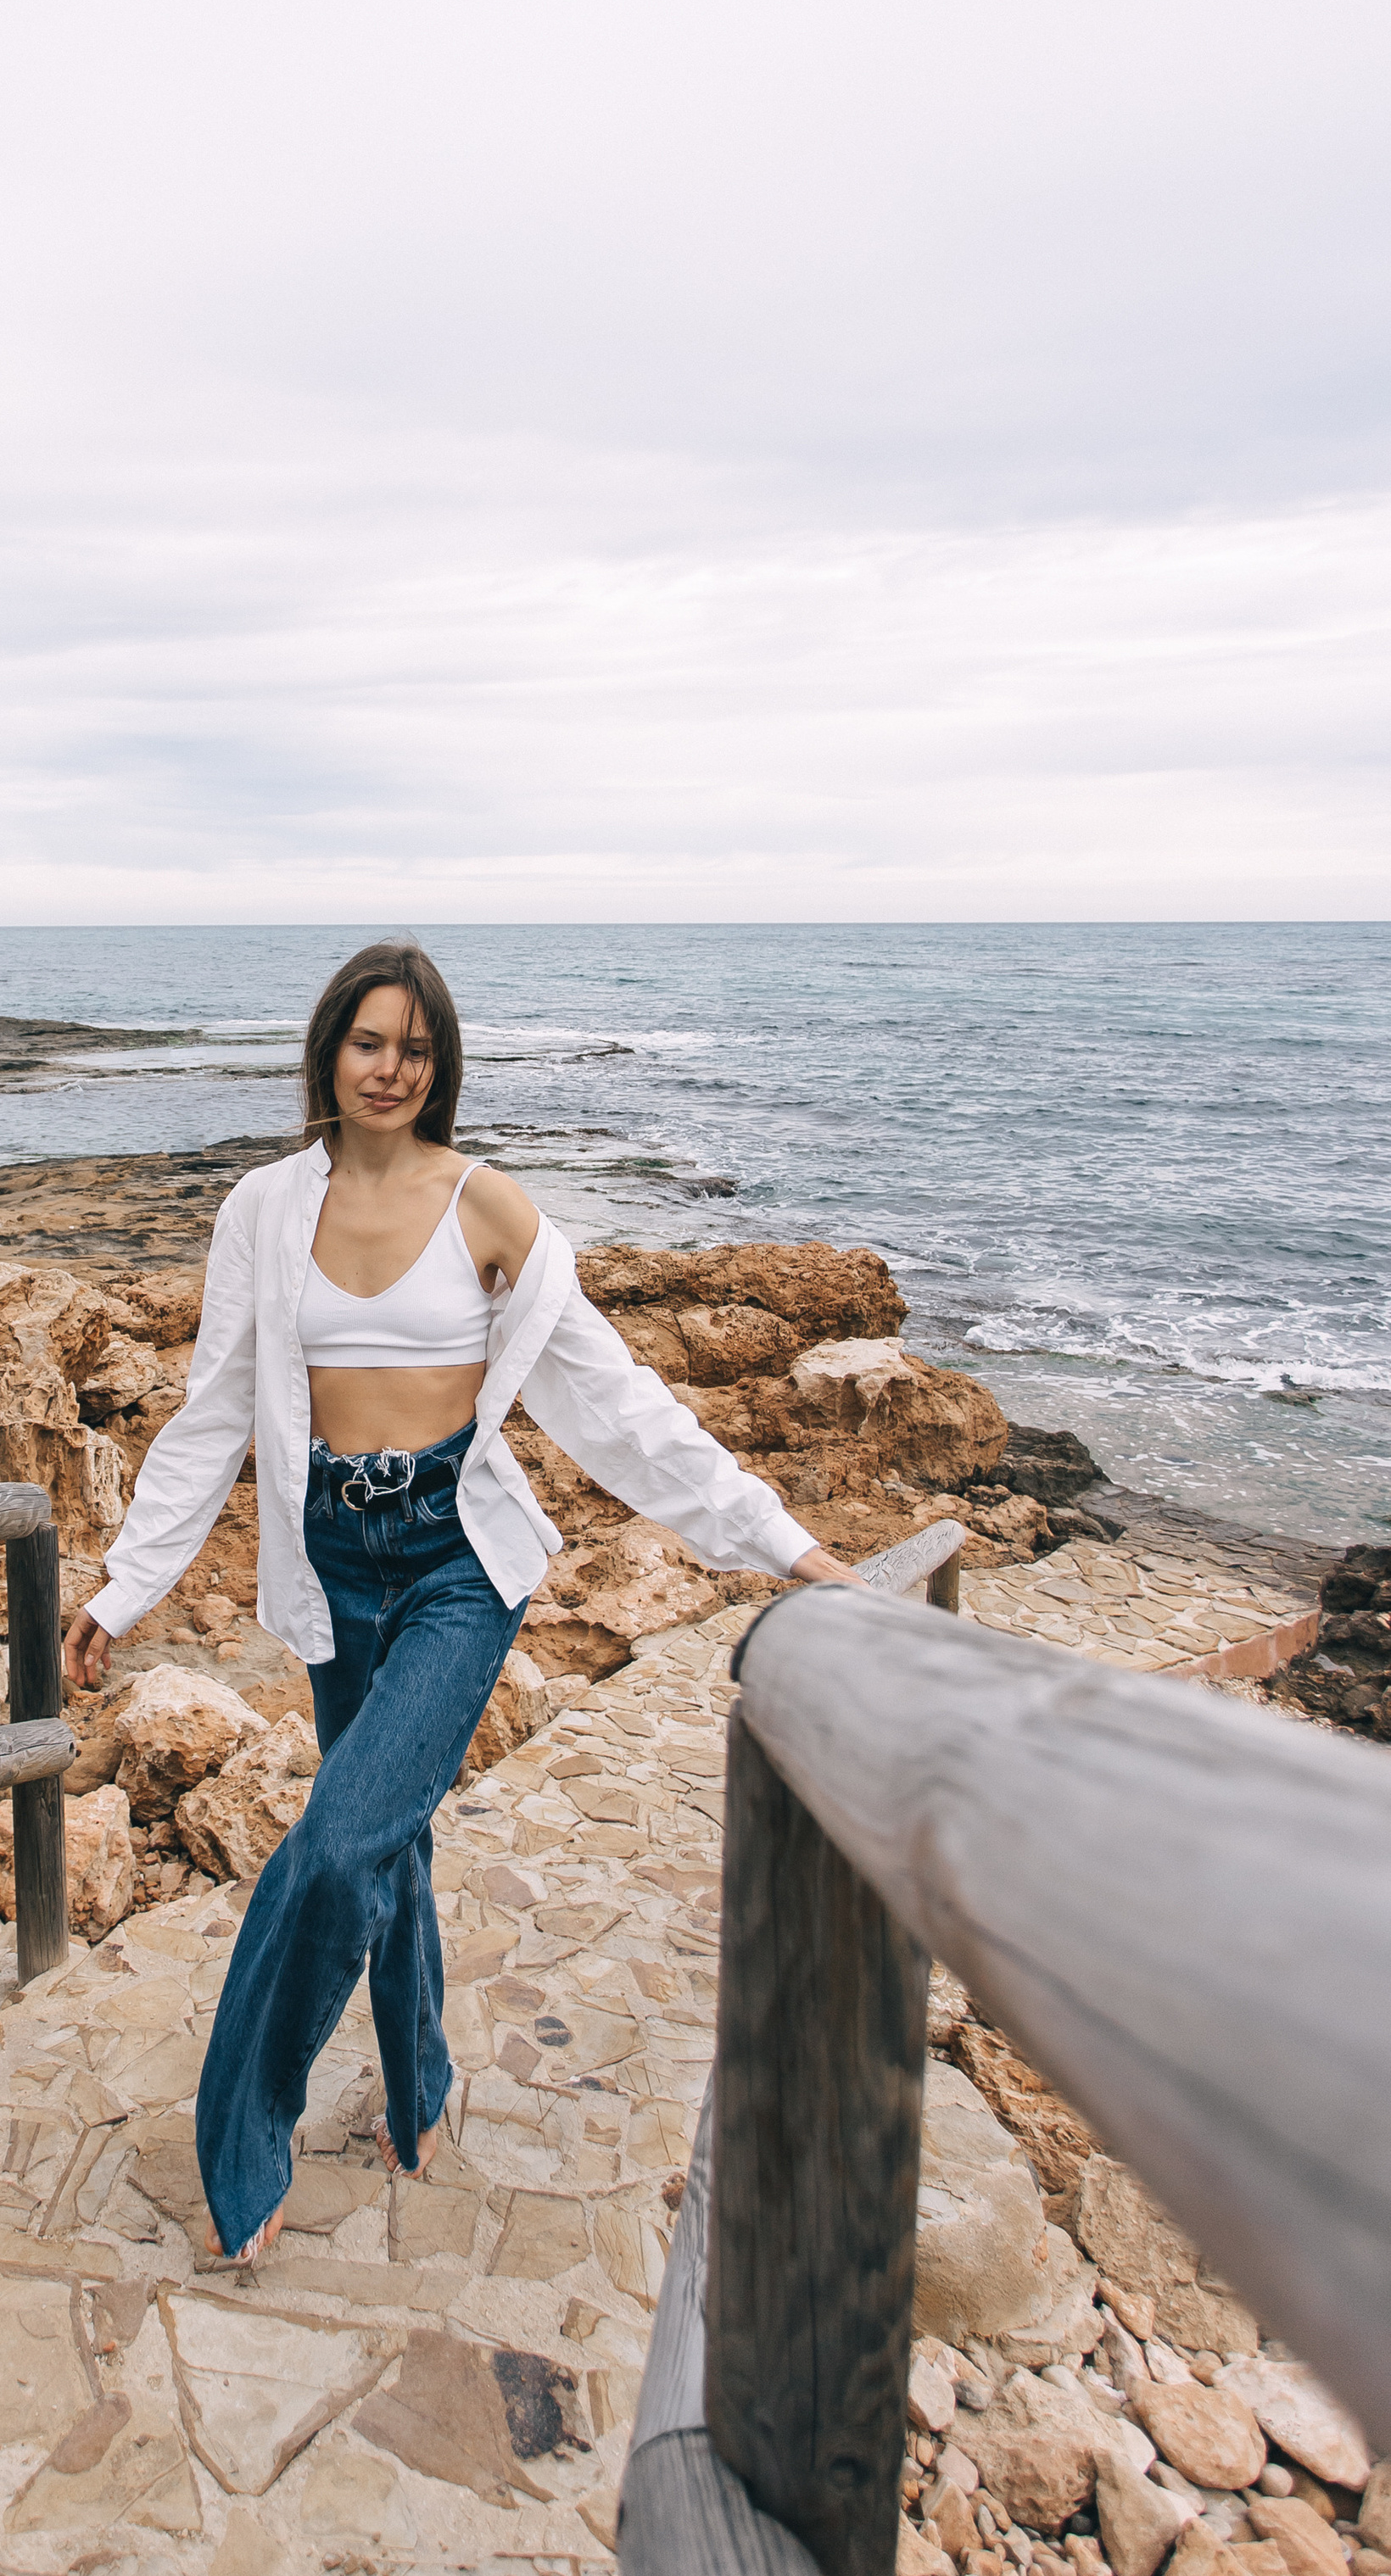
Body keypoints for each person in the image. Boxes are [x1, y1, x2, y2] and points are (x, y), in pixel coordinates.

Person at [62, 940, 858, 2263]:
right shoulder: (263, 1210)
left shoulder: (491, 1211)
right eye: (369, 1042)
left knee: (339, 1843)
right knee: (394, 1837)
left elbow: (618, 1404)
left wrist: (786, 1547)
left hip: (454, 1565)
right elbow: (213, 1409)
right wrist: (129, 1584)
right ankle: (420, 2082)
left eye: (416, 1048)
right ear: (329, 1050)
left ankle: (245, 2137)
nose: (390, 1069)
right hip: (331, 1561)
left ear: (442, 1067)